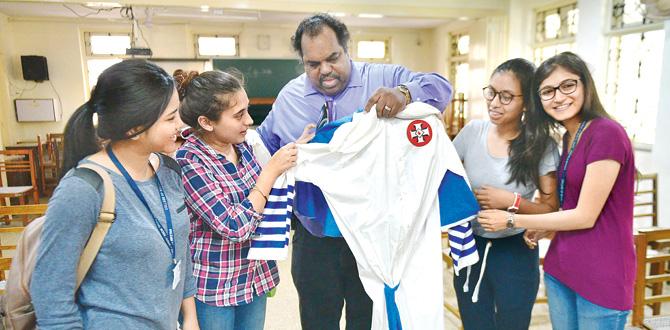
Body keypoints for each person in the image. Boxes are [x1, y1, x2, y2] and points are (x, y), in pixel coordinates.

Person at [256, 13, 453, 329]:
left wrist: (404, 93)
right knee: (317, 321)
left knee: (369, 320)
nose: (325, 70)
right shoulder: (290, 98)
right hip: (314, 237)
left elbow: (441, 87)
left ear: (347, 49)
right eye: (313, 64)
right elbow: (261, 147)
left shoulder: (382, 79)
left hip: (373, 237)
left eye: (332, 58)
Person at [31, 59, 199, 329]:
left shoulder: (169, 170)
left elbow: (179, 248)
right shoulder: (84, 188)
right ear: (134, 128)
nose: (181, 124)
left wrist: (189, 317)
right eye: (170, 117)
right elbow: (51, 293)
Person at [478, 52, 636, 330]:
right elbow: (569, 205)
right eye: (547, 91)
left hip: (602, 274)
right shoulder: (569, 136)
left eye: (568, 85)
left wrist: (513, 219)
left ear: (585, 85)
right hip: (562, 268)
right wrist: (546, 226)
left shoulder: (606, 133)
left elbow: (585, 216)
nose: (558, 97)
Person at [174, 70, 301, 330]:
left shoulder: (242, 146)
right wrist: (269, 173)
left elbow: (263, 205)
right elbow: (234, 226)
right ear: (207, 122)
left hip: (254, 278)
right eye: (239, 115)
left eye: (247, 110)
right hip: (215, 287)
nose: (249, 120)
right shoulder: (189, 160)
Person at [452, 58, 559, 330]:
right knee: (475, 324)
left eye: (506, 97)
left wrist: (510, 201)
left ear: (526, 102)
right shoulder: (472, 133)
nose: (494, 102)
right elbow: (443, 181)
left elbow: (551, 210)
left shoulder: (540, 145)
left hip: (515, 251)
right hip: (469, 248)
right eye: (492, 92)